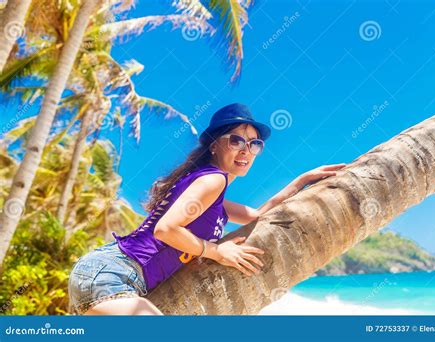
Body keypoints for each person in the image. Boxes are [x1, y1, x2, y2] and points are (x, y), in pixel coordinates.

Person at [67, 103, 346, 315]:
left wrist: (302, 180)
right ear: (215, 145)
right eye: (236, 140)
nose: (246, 150)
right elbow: (166, 229)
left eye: (254, 144)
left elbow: (259, 215)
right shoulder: (213, 178)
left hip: (118, 279)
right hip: (113, 274)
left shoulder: (213, 194)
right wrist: (216, 251)